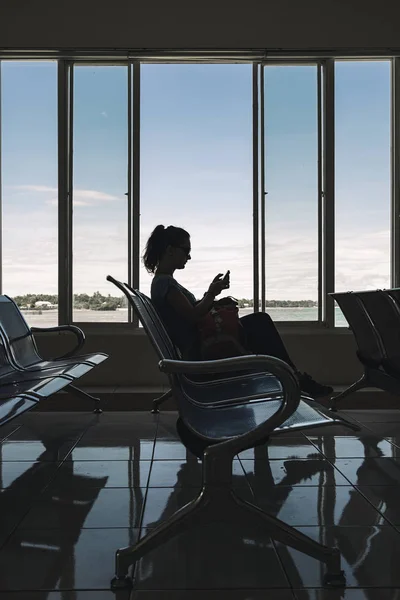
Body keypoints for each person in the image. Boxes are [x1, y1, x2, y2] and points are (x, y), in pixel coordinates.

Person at [143, 224, 333, 399]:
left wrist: (212, 296)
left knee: (259, 322)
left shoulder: (163, 283)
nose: (189, 256)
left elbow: (190, 313)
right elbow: (193, 317)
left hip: (200, 341)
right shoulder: (165, 284)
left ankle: (293, 377)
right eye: (186, 250)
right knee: (260, 323)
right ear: (170, 250)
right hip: (201, 348)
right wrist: (211, 293)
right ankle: (294, 379)